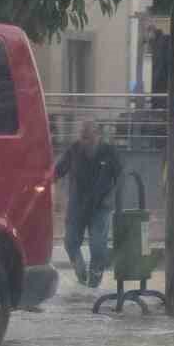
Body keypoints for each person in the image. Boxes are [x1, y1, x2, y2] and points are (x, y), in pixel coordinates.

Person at [54, 120, 122, 288]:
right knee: (70, 242)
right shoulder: (74, 150)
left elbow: (121, 176)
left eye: (89, 138)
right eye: (83, 138)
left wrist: (114, 199)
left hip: (101, 206)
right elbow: (58, 171)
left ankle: (94, 280)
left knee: (98, 246)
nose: (86, 142)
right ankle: (80, 271)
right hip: (77, 204)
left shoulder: (109, 152)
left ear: (98, 136)